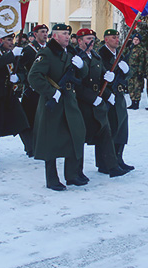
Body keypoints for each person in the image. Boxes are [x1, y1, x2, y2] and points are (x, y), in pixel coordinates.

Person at [28, 24, 87, 191]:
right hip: (53, 102)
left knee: (76, 134)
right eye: (63, 34)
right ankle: (52, 179)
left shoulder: (70, 52)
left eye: (68, 34)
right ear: (54, 36)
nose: (67, 37)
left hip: (69, 100)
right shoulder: (46, 53)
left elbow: (81, 76)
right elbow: (33, 76)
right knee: (51, 140)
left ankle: (72, 175)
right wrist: (51, 92)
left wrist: (82, 66)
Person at [75, 28, 129, 180]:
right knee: (80, 138)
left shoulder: (95, 56)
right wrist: (96, 97)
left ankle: (112, 166)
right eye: (87, 39)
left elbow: (101, 78)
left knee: (106, 131)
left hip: (100, 99)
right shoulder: (77, 57)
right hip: (83, 102)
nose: (91, 42)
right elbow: (78, 83)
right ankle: (76, 172)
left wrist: (108, 93)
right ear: (80, 41)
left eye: (92, 38)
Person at [0, 33, 30, 164]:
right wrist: (12, 55)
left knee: (22, 121)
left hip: (10, 93)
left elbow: (23, 71)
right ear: (1, 40)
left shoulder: (15, 54)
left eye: (13, 40)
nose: (12, 42)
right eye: (9, 40)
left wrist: (19, 78)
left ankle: (31, 148)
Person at [98, 29, 135, 171]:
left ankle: (118, 159)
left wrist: (127, 71)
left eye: (118, 37)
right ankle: (105, 163)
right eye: (113, 37)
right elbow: (98, 75)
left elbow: (128, 75)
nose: (117, 39)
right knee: (109, 130)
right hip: (108, 97)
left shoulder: (119, 54)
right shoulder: (101, 54)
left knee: (121, 129)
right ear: (106, 39)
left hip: (119, 97)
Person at [20, 24, 49, 157]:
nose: (45, 34)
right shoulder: (29, 50)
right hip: (31, 90)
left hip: (45, 89)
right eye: (42, 32)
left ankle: (40, 145)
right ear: (35, 34)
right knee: (29, 119)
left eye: (46, 32)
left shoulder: (48, 49)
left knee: (43, 120)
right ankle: (30, 146)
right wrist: (25, 81)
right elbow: (19, 68)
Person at [127, 33, 145, 110]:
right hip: (130, 71)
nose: (135, 41)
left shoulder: (141, 49)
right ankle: (132, 101)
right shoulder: (130, 48)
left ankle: (136, 102)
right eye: (134, 39)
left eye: (137, 40)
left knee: (137, 87)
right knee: (130, 87)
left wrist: (140, 71)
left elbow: (142, 61)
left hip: (137, 70)